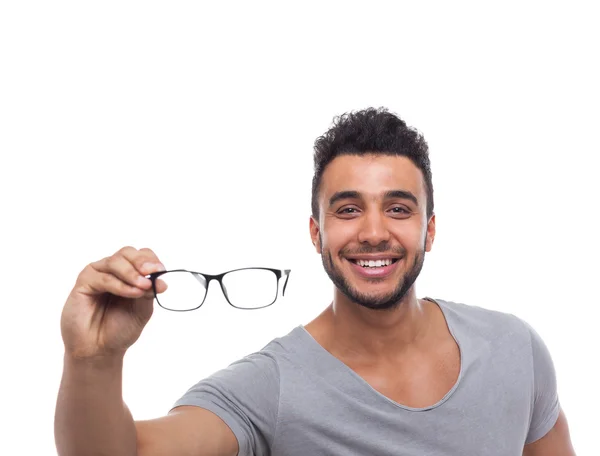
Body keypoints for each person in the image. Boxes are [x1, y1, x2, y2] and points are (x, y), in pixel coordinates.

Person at [54, 108, 576, 456]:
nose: (374, 233)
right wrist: (93, 360)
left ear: (429, 229)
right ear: (316, 232)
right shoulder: (273, 387)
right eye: (348, 209)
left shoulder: (515, 348)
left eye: (397, 208)